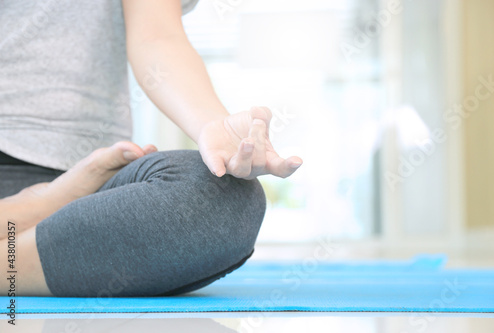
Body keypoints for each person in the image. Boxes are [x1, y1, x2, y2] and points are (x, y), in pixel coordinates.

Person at [0, 0, 302, 297]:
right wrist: (46, 202)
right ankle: (37, 206)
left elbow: (157, 36)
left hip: (94, 192)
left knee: (225, 194)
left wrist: (215, 127)